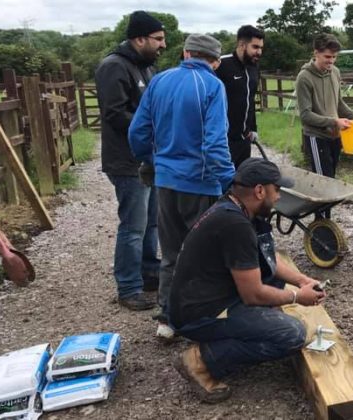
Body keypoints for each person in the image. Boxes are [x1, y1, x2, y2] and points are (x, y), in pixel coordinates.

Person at [169, 158, 326, 403]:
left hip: (203, 299)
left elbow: (266, 255)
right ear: (260, 190)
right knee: (292, 333)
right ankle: (201, 360)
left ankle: (251, 326)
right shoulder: (235, 225)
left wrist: (301, 279)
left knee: (271, 281)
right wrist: (298, 296)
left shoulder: (237, 209)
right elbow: (253, 294)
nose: (278, 197)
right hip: (199, 314)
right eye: (276, 190)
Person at [129, 33, 235, 340]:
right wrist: (230, 181)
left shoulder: (159, 81)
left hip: (166, 183)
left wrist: (152, 161)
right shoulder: (213, 85)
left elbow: (138, 132)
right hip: (201, 185)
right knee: (205, 253)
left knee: (172, 252)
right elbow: (215, 143)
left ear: (186, 53)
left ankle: (167, 319)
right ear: (214, 62)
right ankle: (201, 320)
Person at [94, 10, 166, 311]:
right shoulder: (114, 67)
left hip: (146, 158)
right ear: (139, 38)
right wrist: (152, 125)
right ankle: (128, 287)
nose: (162, 45)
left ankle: (149, 272)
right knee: (133, 227)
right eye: (158, 39)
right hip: (126, 161)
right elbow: (114, 113)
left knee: (151, 223)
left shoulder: (144, 68)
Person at [295, 33, 353, 217]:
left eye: (334, 57)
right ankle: (322, 228)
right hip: (315, 136)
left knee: (330, 180)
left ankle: (324, 224)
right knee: (323, 185)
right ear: (316, 53)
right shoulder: (304, 77)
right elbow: (305, 115)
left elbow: (338, 103)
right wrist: (333, 121)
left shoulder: (335, 72)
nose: (331, 61)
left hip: (335, 135)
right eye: (328, 56)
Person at [216, 25, 264, 168]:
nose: (259, 52)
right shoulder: (221, 64)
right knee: (223, 184)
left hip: (244, 139)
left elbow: (251, 100)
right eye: (255, 47)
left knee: (242, 184)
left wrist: (253, 128)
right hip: (223, 141)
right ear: (242, 45)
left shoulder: (254, 67)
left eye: (261, 48)